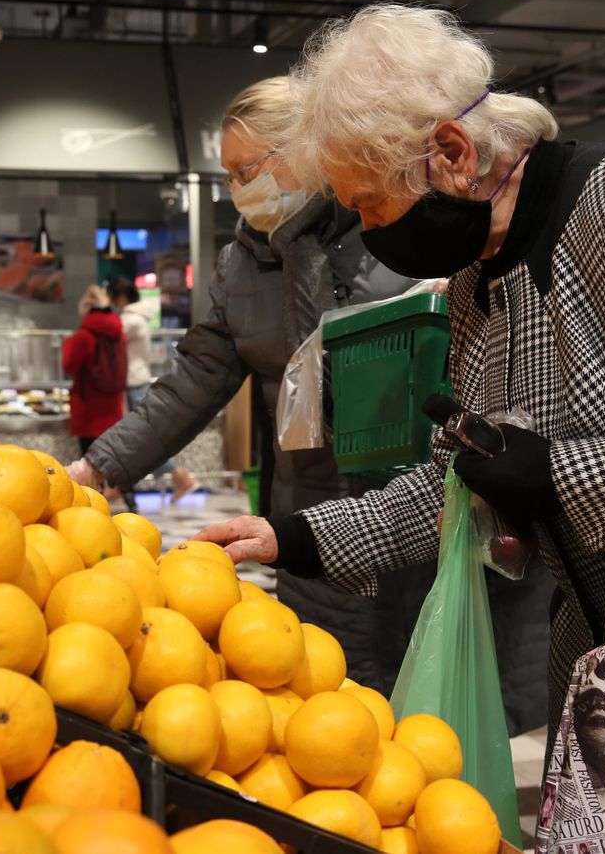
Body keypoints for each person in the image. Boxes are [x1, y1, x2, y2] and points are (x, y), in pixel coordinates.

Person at [193, 3, 605, 837]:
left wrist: (560, 477)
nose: (374, 236)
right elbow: (469, 475)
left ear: (453, 153)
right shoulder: (477, 282)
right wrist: (297, 538)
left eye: (374, 208)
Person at [67, 77, 418, 696]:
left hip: (410, 508)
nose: (236, 190)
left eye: (245, 170)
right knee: (322, 695)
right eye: (228, 174)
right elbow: (194, 378)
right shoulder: (243, 263)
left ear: (305, 152)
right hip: (309, 512)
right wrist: (100, 467)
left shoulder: (391, 226)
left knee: (423, 701)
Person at [106, 276, 199, 504]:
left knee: (144, 439)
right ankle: (121, 485)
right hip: (135, 382)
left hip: (134, 383)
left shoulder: (130, 320)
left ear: (119, 297)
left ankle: (179, 477)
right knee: (141, 438)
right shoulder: (136, 318)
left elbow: (106, 336)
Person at [62, 285, 125, 456]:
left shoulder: (83, 336)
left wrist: (69, 342)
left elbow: (69, 366)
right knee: (110, 466)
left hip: (89, 412)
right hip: (113, 409)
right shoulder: (118, 333)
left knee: (91, 472)